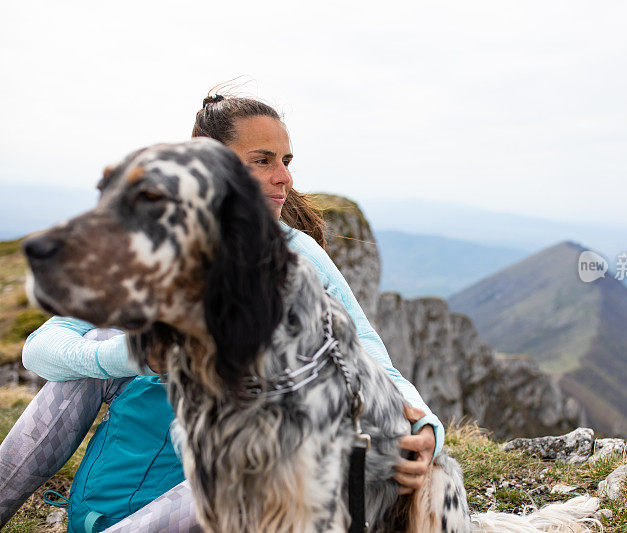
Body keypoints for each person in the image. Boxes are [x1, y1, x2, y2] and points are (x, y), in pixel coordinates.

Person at [0, 94, 443, 532]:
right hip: (113, 499)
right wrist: (132, 356)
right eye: (263, 160)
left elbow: (367, 353)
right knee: (92, 350)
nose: (284, 177)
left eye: (285, 160)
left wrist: (425, 425)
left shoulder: (297, 254)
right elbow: (40, 350)